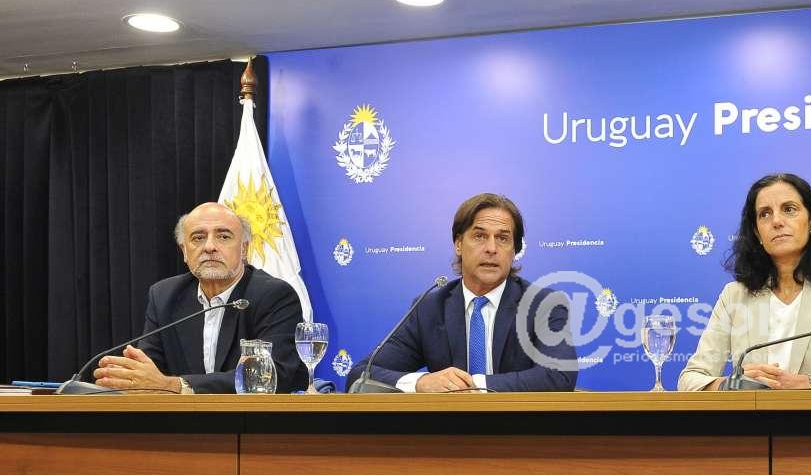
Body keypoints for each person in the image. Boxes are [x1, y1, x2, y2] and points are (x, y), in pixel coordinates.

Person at [346, 193, 577, 393]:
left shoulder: (544, 305)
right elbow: (360, 375)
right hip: (448, 429)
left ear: (514, 250)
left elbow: (559, 376)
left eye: (503, 238)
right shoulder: (429, 308)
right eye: (479, 236)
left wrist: (471, 386)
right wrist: (421, 382)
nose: (491, 248)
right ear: (458, 244)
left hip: (522, 428)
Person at [678, 173, 811, 391]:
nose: (776, 221)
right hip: (750, 414)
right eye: (765, 214)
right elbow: (690, 379)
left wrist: (808, 383)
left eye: (789, 209)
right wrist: (730, 385)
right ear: (757, 233)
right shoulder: (735, 295)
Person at [92, 202, 308, 393]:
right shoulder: (164, 296)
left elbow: (270, 375)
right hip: (183, 422)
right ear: (185, 251)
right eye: (198, 238)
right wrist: (130, 377)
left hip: (256, 421)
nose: (210, 247)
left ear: (244, 249)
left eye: (223, 237)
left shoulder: (274, 295)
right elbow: (150, 372)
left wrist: (176, 385)